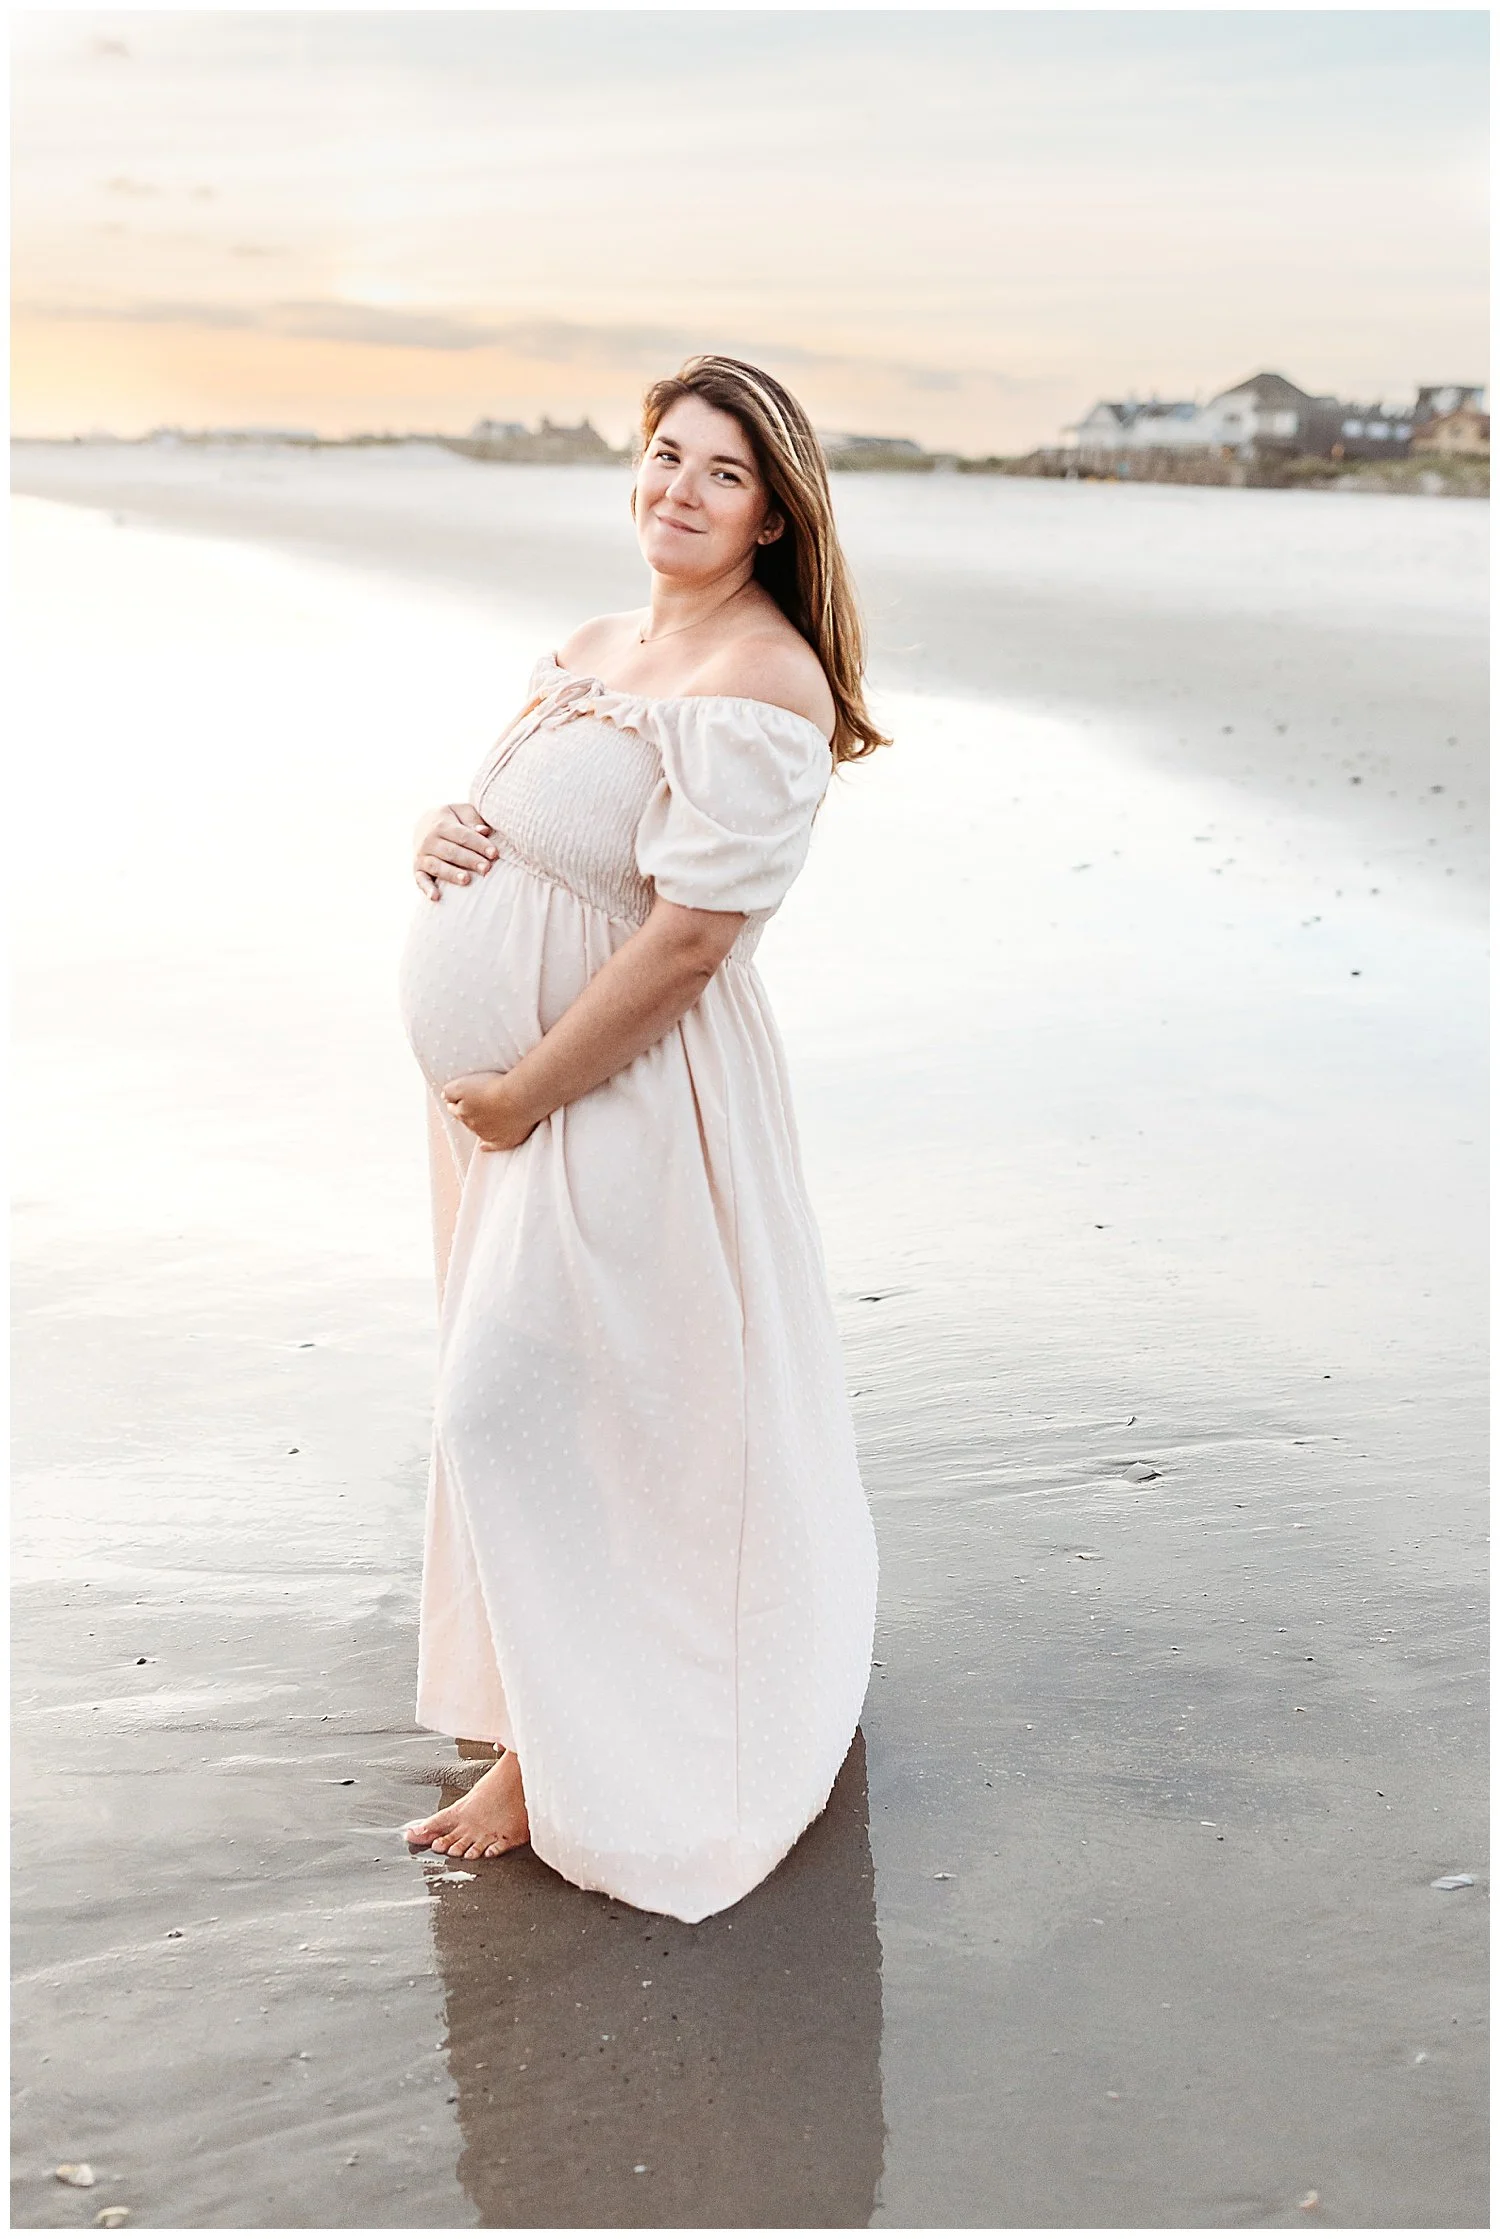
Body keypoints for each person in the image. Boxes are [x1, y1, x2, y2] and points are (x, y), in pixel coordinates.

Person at [398, 354, 885, 1923]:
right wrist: (441, 832)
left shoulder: (763, 681)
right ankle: (543, 1710)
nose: (679, 488)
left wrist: (529, 1088)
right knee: (564, 1399)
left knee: (517, 1400)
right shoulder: (598, 645)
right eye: (666, 455)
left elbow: (688, 943)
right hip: (508, 1097)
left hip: (624, 1092)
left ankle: (566, 1760)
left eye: (722, 472)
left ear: (771, 515)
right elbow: (528, 823)